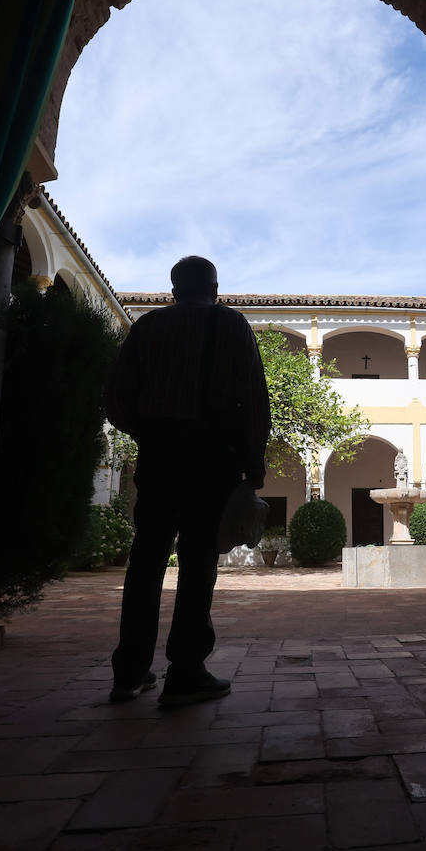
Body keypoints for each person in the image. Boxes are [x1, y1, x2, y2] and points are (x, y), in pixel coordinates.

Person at [101, 255, 271, 705]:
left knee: (146, 561)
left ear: (173, 289)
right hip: (211, 460)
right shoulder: (231, 325)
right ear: (215, 288)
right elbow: (254, 398)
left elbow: (115, 399)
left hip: (159, 459)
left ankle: (130, 672)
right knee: (197, 563)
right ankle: (186, 671)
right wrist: (253, 467)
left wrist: (150, 432)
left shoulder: (146, 328)